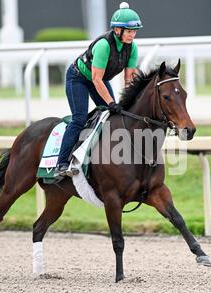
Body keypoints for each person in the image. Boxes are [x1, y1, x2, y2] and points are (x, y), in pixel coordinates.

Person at [54, 2, 142, 178]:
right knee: (79, 118)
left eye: (134, 31)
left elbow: (129, 79)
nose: (132, 35)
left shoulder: (132, 48)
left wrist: (129, 101)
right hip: (78, 78)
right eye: (129, 31)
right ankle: (61, 163)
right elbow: (96, 79)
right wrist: (110, 103)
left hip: (98, 81)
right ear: (117, 30)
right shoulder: (103, 45)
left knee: (114, 115)